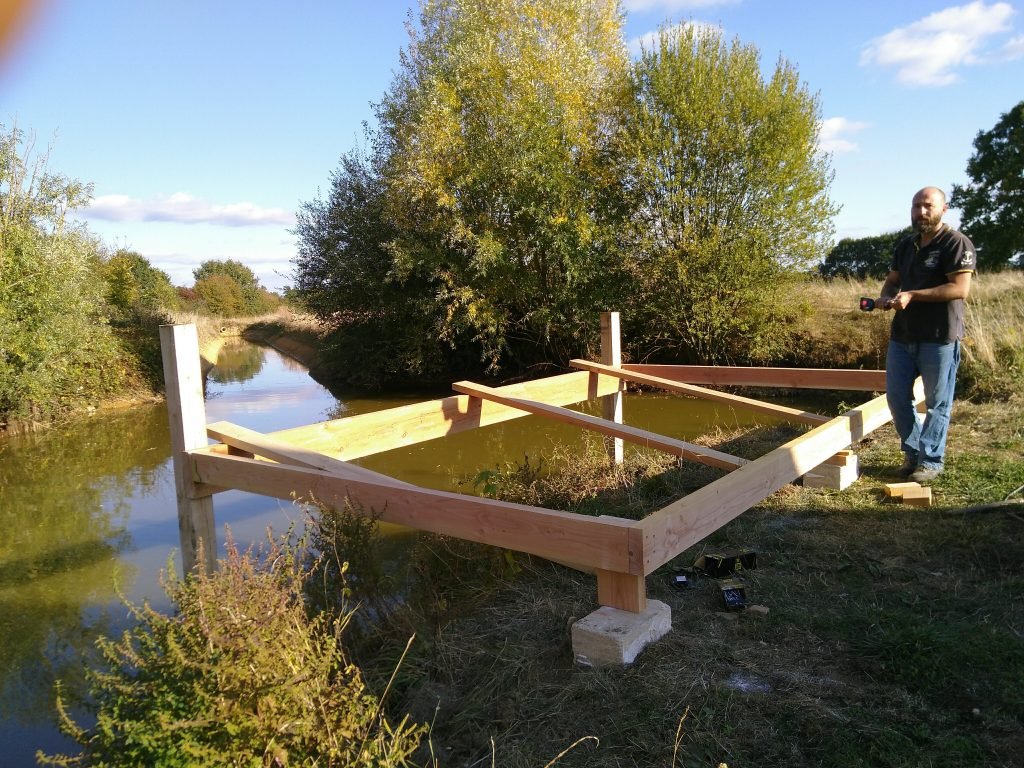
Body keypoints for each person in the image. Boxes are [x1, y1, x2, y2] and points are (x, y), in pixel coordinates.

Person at [876, 186, 975, 483]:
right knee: (896, 398)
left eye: (928, 206)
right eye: (916, 206)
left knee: (937, 403)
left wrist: (913, 295)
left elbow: (960, 289)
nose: (921, 212)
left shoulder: (955, 243)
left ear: (943, 209)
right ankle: (912, 453)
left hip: (939, 337)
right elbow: (893, 281)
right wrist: (886, 297)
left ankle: (930, 460)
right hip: (903, 336)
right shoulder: (906, 245)